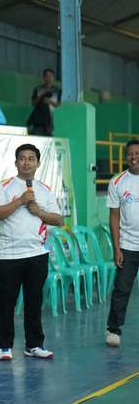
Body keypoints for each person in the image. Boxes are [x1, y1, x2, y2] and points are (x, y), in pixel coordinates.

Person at [0, 144, 62, 361]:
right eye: (22, 158)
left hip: (37, 253)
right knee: (7, 302)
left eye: (31, 159)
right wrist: (20, 202)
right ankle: (4, 346)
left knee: (34, 301)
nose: (26, 162)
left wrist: (39, 211)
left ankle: (34, 345)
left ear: (38, 163)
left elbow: (58, 219)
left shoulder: (45, 189)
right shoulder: (5, 187)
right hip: (9, 255)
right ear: (16, 162)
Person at [105, 139, 139, 347]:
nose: (134, 157)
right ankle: (113, 329)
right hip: (128, 245)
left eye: (137, 153)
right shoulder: (117, 182)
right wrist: (117, 248)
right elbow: (114, 216)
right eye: (130, 154)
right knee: (122, 288)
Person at [27, 68, 62, 136]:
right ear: (43, 77)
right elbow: (33, 103)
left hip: (52, 121)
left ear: (53, 78)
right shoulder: (38, 89)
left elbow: (60, 105)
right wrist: (42, 95)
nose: (49, 78)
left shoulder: (58, 91)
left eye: (51, 76)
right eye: (47, 76)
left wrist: (50, 102)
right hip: (38, 122)